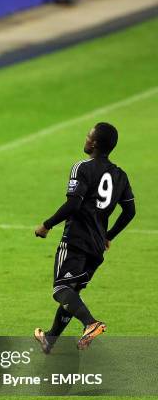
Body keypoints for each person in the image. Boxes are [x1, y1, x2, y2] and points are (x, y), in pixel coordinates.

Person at [34, 122, 136, 350]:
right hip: (97, 245)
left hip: (76, 239)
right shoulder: (120, 175)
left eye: (89, 136)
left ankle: (90, 323)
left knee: (61, 290)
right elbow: (130, 211)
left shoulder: (82, 167)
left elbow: (74, 204)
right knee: (73, 292)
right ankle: (50, 339)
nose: (86, 138)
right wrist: (109, 235)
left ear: (95, 143)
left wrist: (47, 225)